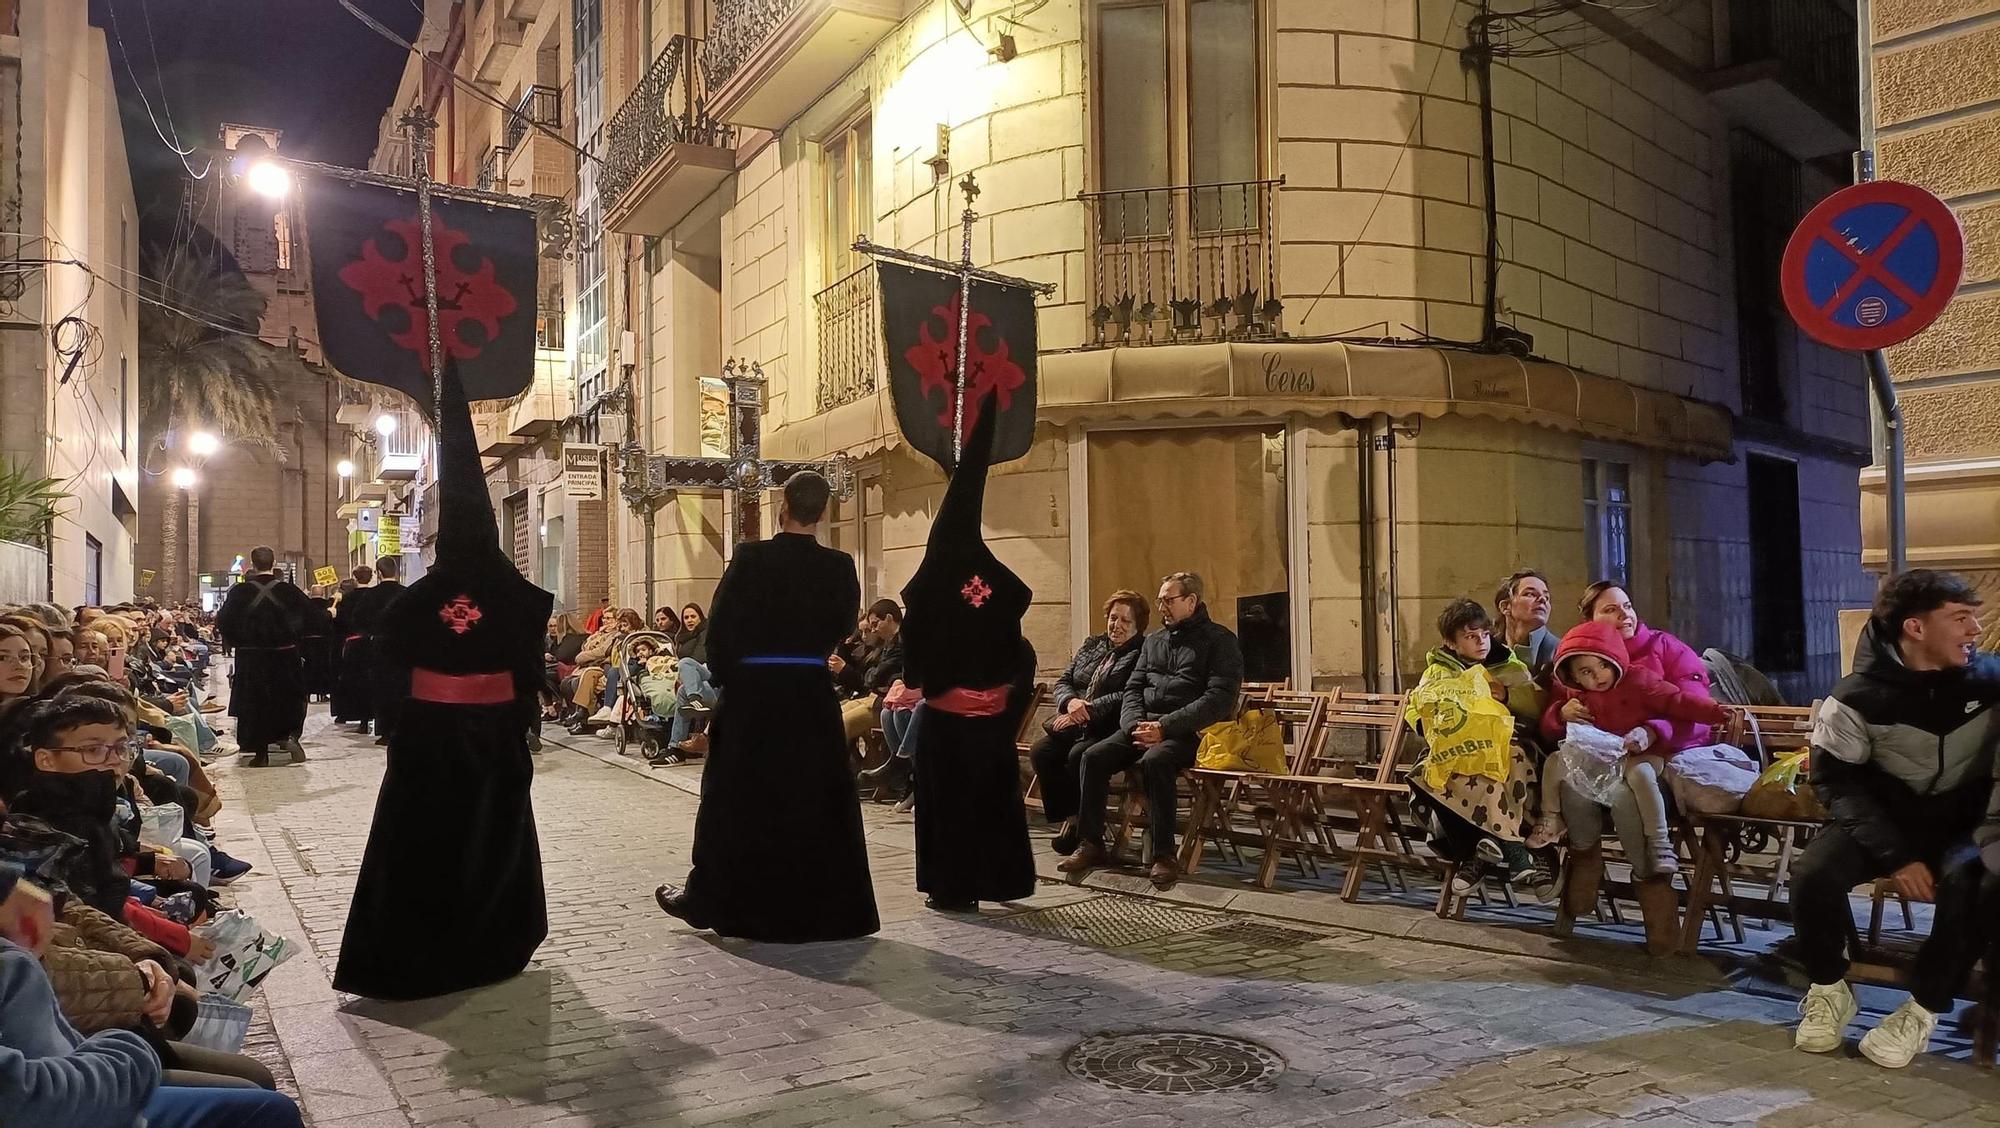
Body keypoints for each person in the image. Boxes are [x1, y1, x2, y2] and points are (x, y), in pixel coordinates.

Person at [335, 366, 551, 1001]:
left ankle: (417, 954)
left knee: (422, 845)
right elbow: (527, 665)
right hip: (495, 739)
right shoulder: (520, 596)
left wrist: (399, 724)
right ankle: (490, 946)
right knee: (492, 840)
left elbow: (392, 665)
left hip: (429, 741)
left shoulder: (413, 599)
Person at [653, 470, 877, 942]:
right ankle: (829, 908)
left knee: (733, 798)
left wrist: (733, 682)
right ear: (824, 511)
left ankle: (709, 896)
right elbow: (841, 625)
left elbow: (720, 633)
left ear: (783, 507)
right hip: (811, 697)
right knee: (814, 799)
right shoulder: (839, 567)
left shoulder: (751, 558)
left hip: (754, 699)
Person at [1792, 570, 2000, 1067]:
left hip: (1962, 828)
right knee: (1812, 876)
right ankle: (1827, 987)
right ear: (1916, 628)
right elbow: (1834, 782)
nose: (1976, 629)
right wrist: (1899, 857)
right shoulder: (1855, 697)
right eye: (1961, 618)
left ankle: (1923, 1010)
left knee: (1974, 883)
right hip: (1886, 825)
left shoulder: (1990, 680)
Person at [0, 866, 304, 1128]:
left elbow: (72, 905)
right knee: (265, 1106)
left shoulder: (24, 870)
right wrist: (139, 987)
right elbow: (32, 1098)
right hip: (81, 1081)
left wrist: (148, 955)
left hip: (80, 1053)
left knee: (253, 1079)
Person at [898, 400, 1038, 913]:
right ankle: (1001, 880)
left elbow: (915, 654)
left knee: (950, 805)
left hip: (950, 720)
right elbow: (1017, 630)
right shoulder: (995, 580)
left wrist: (926, 680)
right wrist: (998, 685)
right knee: (992, 805)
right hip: (991, 721)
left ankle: (953, 888)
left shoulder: (933, 582)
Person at [1544, 581, 1721, 953]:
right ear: (1590, 620)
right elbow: (1555, 713)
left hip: (1661, 763)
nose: (1623, 614)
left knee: (1626, 796)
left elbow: (1693, 709)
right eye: (1609, 609)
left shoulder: (1664, 650)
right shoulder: (1578, 660)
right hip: (1600, 764)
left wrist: (1652, 730)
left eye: (1626, 605)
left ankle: (1653, 886)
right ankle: (1585, 859)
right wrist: (1560, 714)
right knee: (1572, 789)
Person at [1061, 571, 1243, 888]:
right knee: (1092, 756)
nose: (1162, 607)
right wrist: (1134, 725)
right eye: (1160, 600)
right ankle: (1091, 843)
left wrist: (1164, 727)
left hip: (1188, 733)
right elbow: (1134, 688)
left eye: (1168, 600)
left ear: (1191, 601)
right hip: (1143, 726)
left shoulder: (1220, 642)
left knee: (1157, 762)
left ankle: (1164, 855)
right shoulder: (1156, 641)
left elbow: (1217, 701)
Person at [1548, 619, 1732, 878]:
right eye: (1586, 672)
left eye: (1602, 666)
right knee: (1569, 784)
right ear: (1574, 676)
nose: (1598, 676)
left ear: (1614, 656)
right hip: (1607, 761)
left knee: (1636, 782)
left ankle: (1658, 849)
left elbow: (1676, 700)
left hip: (1647, 753)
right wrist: (1560, 714)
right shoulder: (1579, 695)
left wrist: (1710, 711)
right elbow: (1551, 724)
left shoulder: (1640, 677)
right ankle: (1583, 862)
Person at [1404, 598, 1554, 902]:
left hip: (1512, 743)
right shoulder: (1439, 671)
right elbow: (1417, 706)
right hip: (1458, 748)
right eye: (1471, 637)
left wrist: (1508, 695)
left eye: (1484, 634)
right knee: (1427, 773)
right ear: (1451, 642)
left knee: (1503, 764)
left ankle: (1479, 856)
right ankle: (1506, 848)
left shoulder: (1507, 665)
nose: (1481, 642)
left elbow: (1536, 706)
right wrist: (1426, 724)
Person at [1030, 591, 1148, 857]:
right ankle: (1072, 821)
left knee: (1078, 756)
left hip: (1109, 725)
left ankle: (1088, 837)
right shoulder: (1093, 644)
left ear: (1138, 625)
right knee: (1042, 752)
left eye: (1124, 621)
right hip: (1075, 720)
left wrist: (1087, 709)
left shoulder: (1143, 652)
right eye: (1112, 618)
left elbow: (1129, 692)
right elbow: (1064, 680)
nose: (1116, 625)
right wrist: (1070, 702)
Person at [214, 548, 323, 767]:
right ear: (274, 563)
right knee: (289, 698)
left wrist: (241, 643)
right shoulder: (289, 591)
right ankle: (289, 736)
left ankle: (260, 752)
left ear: (253, 565)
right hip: (285, 656)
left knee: (254, 702)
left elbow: (223, 622)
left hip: (251, 658)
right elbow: (314, 619)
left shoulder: (239, 592)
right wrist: (295, 639)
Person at [837, 600, 904, 748]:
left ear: (888, 618)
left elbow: (874, 677)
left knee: (841, 725)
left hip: (886, 703)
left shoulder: (901, 643)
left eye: (874, 624)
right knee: (833, 717)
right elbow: (871, 677)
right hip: (875, 698)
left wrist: (874, 678)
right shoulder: (889, 643)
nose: (872, 631)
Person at [363, 556, 408, 747]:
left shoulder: (371, 596)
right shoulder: (407, 593)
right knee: (402, 688)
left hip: (380, 647)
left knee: (382, 690)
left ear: (379, 573)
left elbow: (359, 620)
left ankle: (386, 731)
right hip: (404, 648)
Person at [330, 567, 376, 731]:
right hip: (374, 643)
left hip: (354, 644)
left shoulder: (347, 600)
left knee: (355, 681)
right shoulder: (374, 596)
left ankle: (356, 715)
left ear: (355, 578)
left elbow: (340, 623)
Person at [1494, 569, 1557, 675]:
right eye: (1530, 594)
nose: (1542, 599)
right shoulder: (1486, 651)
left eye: (1547, 597)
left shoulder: (1560, 653)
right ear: (1505, 607)